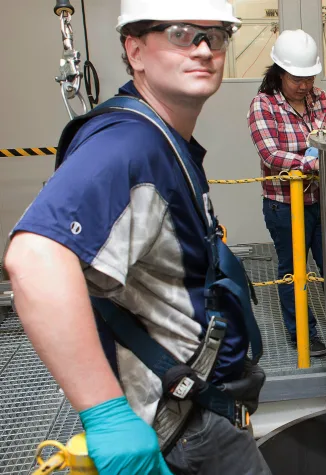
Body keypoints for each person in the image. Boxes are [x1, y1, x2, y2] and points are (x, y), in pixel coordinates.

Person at [3, 1, 271, 473]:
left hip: (200, 410)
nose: (205, 50)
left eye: (217, 36)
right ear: (136, 50)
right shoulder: (130, 144)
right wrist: (105, 415)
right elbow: (34, 258)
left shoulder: (162, 138)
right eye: (183, 34)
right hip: (183, 428)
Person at [248, 29, 326, 358]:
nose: (305, 85)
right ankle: (303, 334)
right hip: (284, 204)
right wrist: (309, 163)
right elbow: (270, 154)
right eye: (297, 78)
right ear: (279, 73)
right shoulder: (263, 105)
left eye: (310, 77)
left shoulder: (321, 100)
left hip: (322, 200)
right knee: (293, 270)